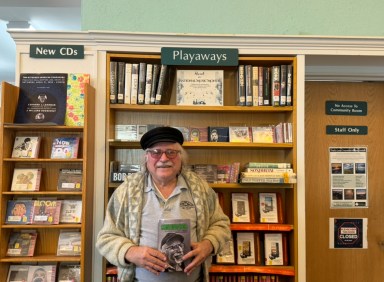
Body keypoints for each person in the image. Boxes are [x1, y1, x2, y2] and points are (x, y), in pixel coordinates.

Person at [96, 126, 231, 282]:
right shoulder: (126, 191)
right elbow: (106, 238)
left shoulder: (200, 188)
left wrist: (208, 245)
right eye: (156, 152)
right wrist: (130, 252)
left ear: (181, 157)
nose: (164, 158)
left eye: (171, 152)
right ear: (146, 157)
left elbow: (221, 225)